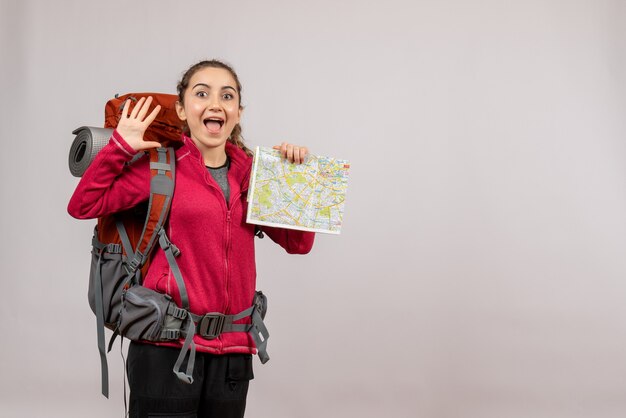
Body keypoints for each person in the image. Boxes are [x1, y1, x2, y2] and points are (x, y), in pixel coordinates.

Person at [68, 59, 315, 418]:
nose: (216, 102)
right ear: (182, 109)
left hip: (233, 352)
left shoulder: (253, 175)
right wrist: (120, 146)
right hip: (166, 349)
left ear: (238, 112)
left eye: (227, 95)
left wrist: (294, 181)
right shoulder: (161, 167)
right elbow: (83, 205)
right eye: (202, 93)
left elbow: (300, 244)